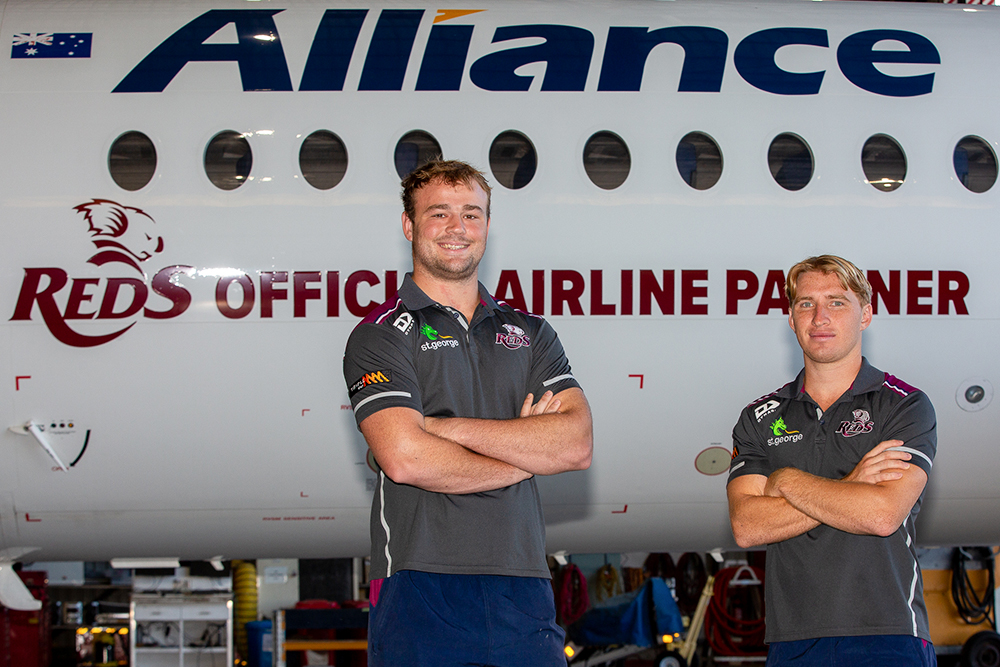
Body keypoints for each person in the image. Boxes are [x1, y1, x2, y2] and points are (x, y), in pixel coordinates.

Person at [343, 159, 593, 667]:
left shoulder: (530, 332)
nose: (458, 229)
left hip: (522, 586)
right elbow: (407, 459)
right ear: (410, 226)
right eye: (440, 214)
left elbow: (575, 443)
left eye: (472, 214)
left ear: (486, 226)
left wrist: (443, 427)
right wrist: (528, 453)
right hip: (419, 585)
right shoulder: (381, 334)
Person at [726, 255, 937, 666]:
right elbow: (748, 526)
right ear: (791, 319)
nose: (820, 317)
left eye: (837, 302)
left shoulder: (904, 406)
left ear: (866, 314)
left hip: (889, 635)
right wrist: (852, 485)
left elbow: (881, 515)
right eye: (806, 304)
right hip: (793, 641)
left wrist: (785, 479)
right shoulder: (759, 417)